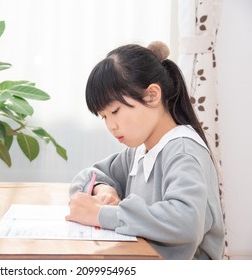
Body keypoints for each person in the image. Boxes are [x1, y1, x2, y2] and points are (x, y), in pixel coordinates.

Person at [65, 41, 225, 260]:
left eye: (115, 111)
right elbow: (87, 176)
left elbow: (187, 222)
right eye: (104, 117)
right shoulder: (140, 151)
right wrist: (102, 189)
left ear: (152, 95)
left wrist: (102, 215)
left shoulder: (183, 151)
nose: (111, 126)